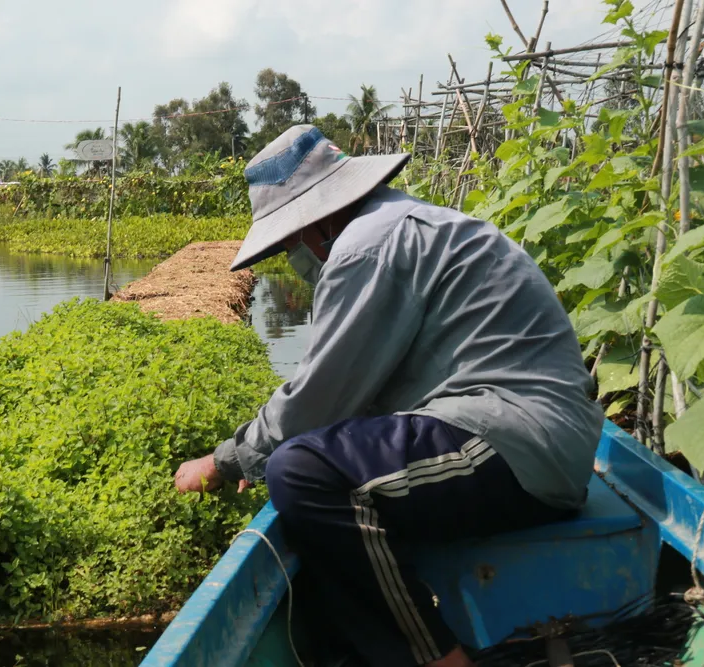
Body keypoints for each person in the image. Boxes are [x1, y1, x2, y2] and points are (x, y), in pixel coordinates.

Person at [173, 125, 604, 667]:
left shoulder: (366, 245)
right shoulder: (398, 224)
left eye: (288, 243)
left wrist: (224, 459)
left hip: (514, 441)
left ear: (317, 221)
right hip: (532, 438)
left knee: (301, 472)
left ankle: (436, 657)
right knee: (323, 481)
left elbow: (320, 397)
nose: (292, 256)